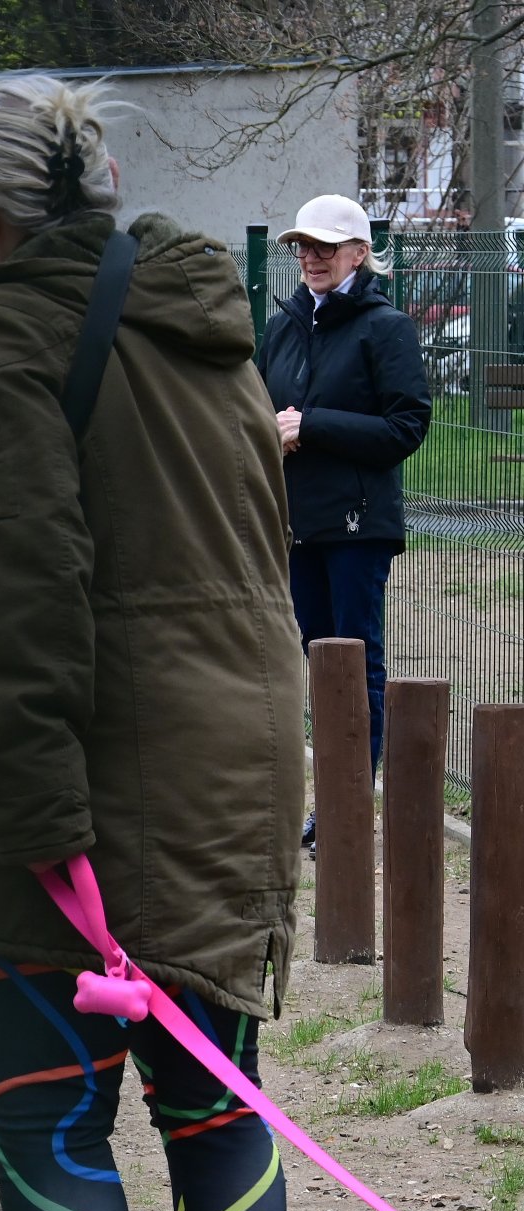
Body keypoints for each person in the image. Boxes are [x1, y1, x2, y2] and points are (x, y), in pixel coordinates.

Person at [0, 75, 303, 1211]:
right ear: (112, 183)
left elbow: (17, 592)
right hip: (239, 754)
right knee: (220, 1110)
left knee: (50, 1119)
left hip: (96, 770)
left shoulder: (5, 329)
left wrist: (39, 824)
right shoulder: (213, 319)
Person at [257, 194, 431, 848]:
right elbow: (258, 401)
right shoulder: (285, 326)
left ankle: (348, 805)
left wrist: (313, 426)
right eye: (302, 246)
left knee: (356, 664)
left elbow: (406, 426)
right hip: (299, 525)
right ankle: (331, 802)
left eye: (324, 247)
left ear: (359, 252)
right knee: (317, 661)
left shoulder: (385, 328)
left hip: (359, 527)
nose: (309, 258)